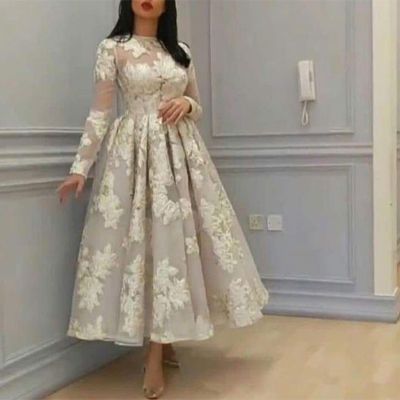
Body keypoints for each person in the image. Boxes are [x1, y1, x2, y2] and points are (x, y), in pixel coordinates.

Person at [56, 0, 269, 398]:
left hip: (181, 158)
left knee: (173, 247)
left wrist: (187, 103)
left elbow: (197, 106)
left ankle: (158, 350)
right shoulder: (113, 48)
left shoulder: (181, 51)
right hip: (133, 158)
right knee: (145, 249)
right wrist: (80, 168)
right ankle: (159, 345)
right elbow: (100, 113)